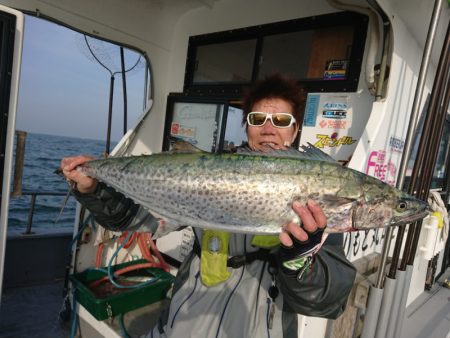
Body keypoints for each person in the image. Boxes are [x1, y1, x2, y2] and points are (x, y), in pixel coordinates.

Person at [61, 74, 356, 338]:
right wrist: (93, 187)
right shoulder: (213, 171)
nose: (268, 130)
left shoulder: (319, 190)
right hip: (187, 320)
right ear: (246, 128)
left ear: (294, 132)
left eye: (281, 121)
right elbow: (134, 218)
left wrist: (301, 259)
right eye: (257, 119)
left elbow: (326, 301)